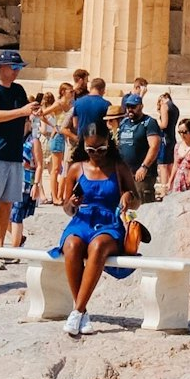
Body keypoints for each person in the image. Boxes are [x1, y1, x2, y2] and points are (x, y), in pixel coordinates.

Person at [54, 124, 138, 336]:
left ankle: (77, 311)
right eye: (91, 150)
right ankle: (82, 312)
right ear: (83, 146)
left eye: (101, 149)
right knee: (72, 245)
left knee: (98, 245)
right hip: (82, 219)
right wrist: (72, 202)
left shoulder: (119, 167)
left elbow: (137, 200)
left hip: (109, 221)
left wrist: (128, 197)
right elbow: (67, 208)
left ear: (108, 144)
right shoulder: (76, 168)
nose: (96, 155)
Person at [0, 49, 37, 270]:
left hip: (14, 153)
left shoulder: (19, 90)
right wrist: (21, 112)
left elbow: (23, 116)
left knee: (6, 204)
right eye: (14, 67)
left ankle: (0, 246)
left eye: (19, 67)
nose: (17, 71)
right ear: (1, 68)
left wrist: (31, 114)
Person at [117, 94, 161, 203]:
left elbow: (154, 146)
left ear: (140, 106)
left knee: (142, 205)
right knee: (125, 207)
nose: (130, 110)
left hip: (142, 175)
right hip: (125, 173)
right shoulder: (124, 123)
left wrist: (144, 167)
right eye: (128, 107)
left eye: (133, 107)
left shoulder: (149, 122)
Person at [8, 116, 43, 249]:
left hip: (26, 182)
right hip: (12, 179)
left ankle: (15, 249)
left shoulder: (34, 141)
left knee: (17, 215)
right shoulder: (15, 139)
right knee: (4, 214)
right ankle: (19, 239)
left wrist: (36, 184)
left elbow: (39, 164)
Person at [155, 89, 181, 194]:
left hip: (164, 138)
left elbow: (164, 124)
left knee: (163, 165)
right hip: (172, 137)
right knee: (170, 164)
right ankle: (172, 188)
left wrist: (155, 125)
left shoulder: (165, 106)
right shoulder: (174, 107)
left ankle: (164, 190)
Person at [168, 117, 190, 192]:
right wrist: (170, 181)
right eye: (180, 132)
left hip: (189, 181)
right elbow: (175, 165)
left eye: (184, 132)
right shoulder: (177, 146)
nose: (182, 135)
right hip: (178, 181)